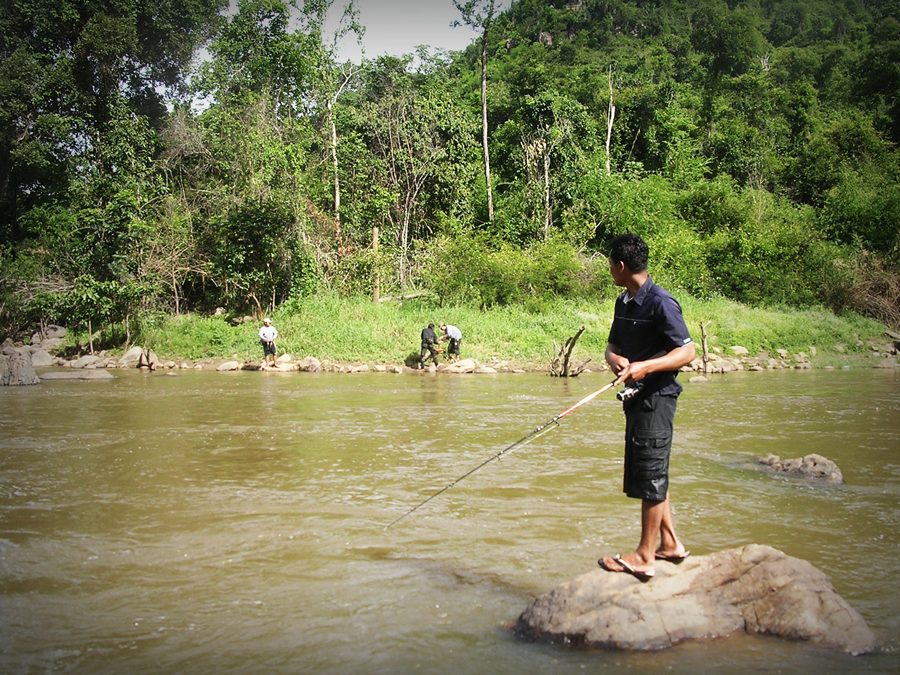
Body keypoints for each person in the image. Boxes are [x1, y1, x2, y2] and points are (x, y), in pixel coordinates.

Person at [598, 233, 696, 582]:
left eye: (610, 265)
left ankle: (644, 556)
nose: (609, 270)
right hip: (636, 399)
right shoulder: (623, 302)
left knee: (652, 473)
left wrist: (643, 368)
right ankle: (669, 543)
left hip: (658, 398)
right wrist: (616, 359)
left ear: (621, 266)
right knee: (648, 471)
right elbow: (611, 347)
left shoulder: (662, 303)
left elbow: (686, 352)